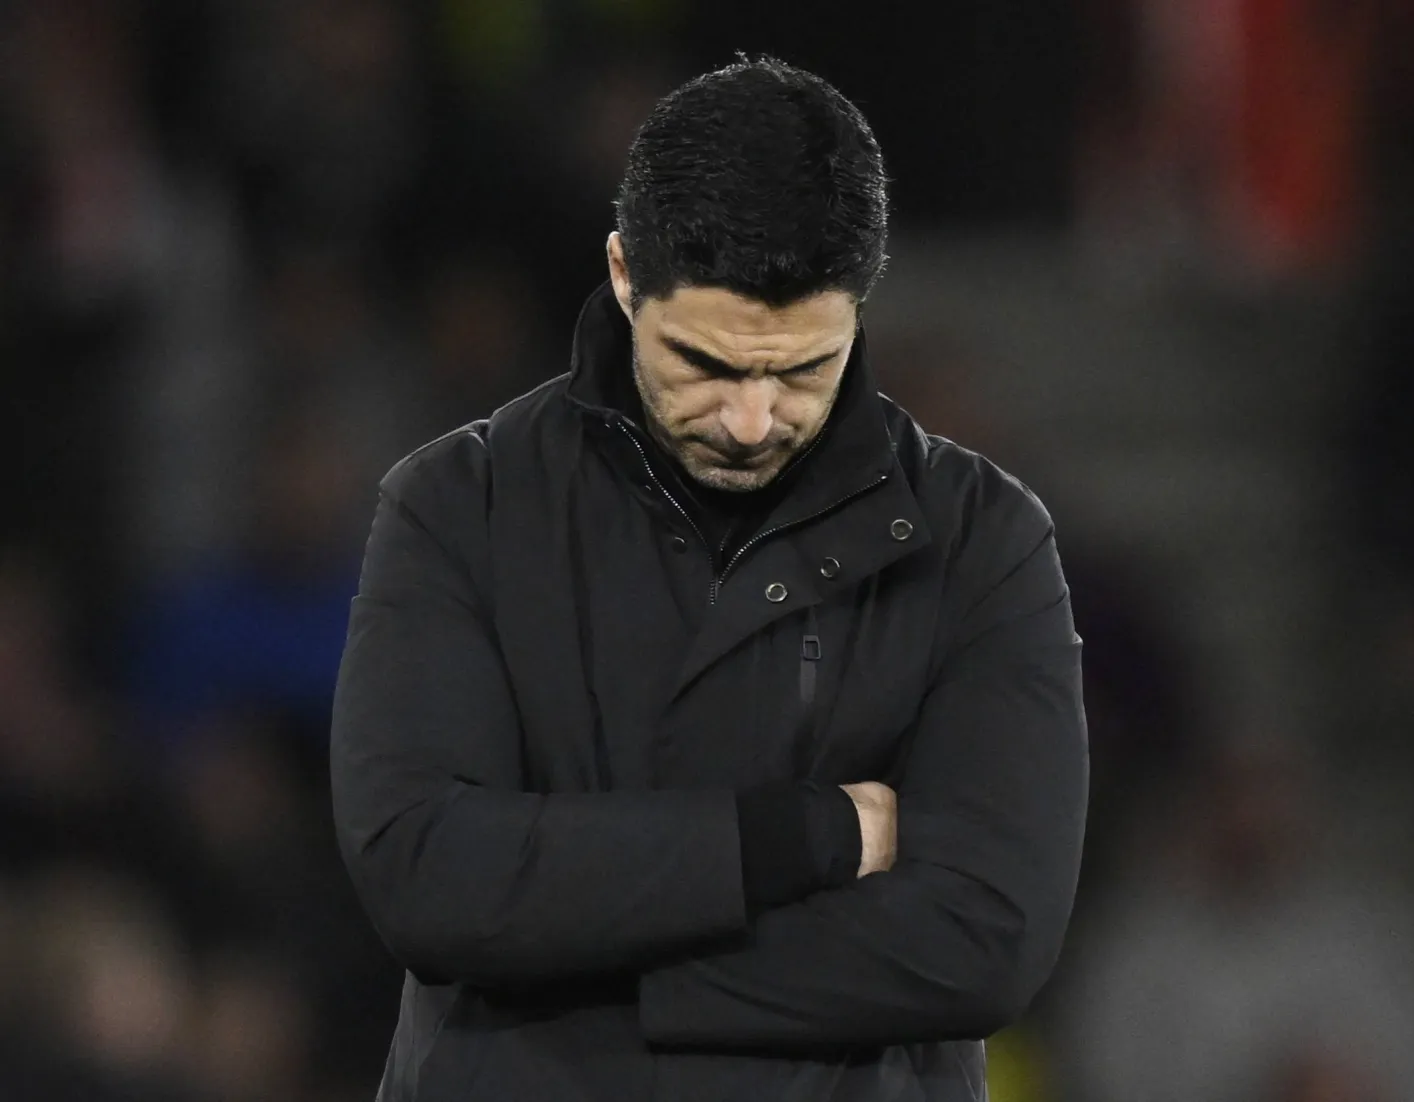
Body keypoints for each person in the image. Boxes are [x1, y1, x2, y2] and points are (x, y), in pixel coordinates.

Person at [330, 56, 1088, 1102]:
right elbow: (426, 875)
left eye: (800, 370)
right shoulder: (458, 505)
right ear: (622, 272)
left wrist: (586, 961)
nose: (750, 420)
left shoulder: (985, 540)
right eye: (707, 364)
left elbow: (982, 938)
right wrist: (807, 835)